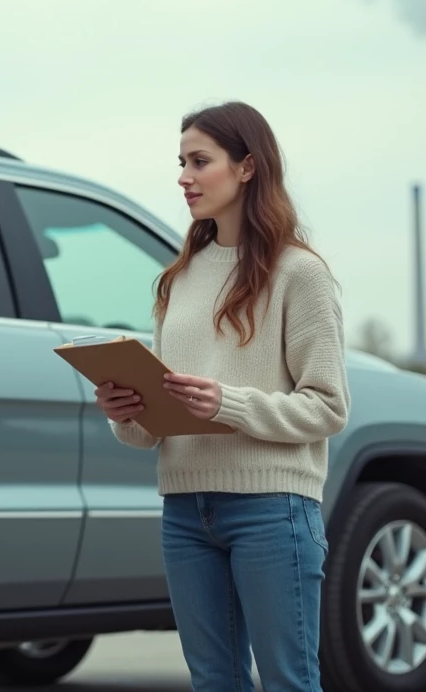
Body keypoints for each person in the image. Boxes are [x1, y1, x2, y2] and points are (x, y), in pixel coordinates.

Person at [94, 101, 350, 692]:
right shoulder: (178, 278)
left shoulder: (299, 273)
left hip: (272, 510)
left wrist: (226, 404)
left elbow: (328, 406)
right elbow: (153, 426)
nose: (183, 176)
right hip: (185, 512)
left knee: (289, 682)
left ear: (247, 167)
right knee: (215, 683)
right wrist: (126, 413)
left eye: (199, 160)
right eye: (180, 162)